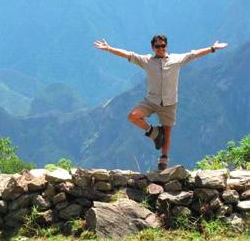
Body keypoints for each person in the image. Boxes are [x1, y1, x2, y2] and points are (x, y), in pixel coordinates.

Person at [94, 34, 228, 170]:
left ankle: (163, 159)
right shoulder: (146, 60)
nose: (160, 48)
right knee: (133, 116)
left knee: (168, 131)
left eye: (163, 45)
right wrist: (109, 48)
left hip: (169, 102)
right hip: (151, 100)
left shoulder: (176, 59)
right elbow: (128, 55)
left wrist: (212, 48)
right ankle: (153, 132)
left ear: (166, 46)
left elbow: (193, 54)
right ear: (153, 47)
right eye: (157, 46)